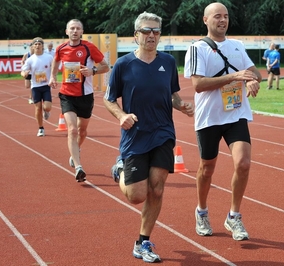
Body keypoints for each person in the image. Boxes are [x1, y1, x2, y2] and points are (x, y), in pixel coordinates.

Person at [103, 12, 194, 263]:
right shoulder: (123, 65)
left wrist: (181, 105)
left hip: (163, 132)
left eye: (156, 31)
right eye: (146, 31)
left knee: (157, 187)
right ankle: (120, 168)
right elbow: (108, 99)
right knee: (136, 195)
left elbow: (172, 95)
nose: (151, 35)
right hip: (135, 135)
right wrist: (121, 116)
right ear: (136, 35)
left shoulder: (167, 62)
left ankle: (143, 241)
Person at [184, 2, 262, 241]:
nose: (223, 20)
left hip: (235, 114)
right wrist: (235, 76)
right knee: (207, 168)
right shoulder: (197, 49)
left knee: (244, 164)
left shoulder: (237, 46)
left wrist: (251, 79)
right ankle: (202, 211)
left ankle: (234, 216)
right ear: (205, 20)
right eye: (217, 16)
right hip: (210, 117)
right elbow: (198, 85)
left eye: (226, 16)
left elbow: (254, 72)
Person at [49, 19, 110, 182]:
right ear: (66, 31)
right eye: (72, 28)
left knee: (82, 131)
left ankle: (76, 150)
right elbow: (55, 61)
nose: (75, 31)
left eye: (78, 28)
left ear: (82, 32)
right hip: (67, 94)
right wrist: (52, 76)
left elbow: (106, 66)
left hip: (85, 95)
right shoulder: (61, 48)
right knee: (72, 129)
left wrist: (93, 70)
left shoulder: (89, 47)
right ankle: (78, 167)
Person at [21, 37, 53, 136]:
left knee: (47, 107)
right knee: (38, 108)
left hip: (46, 85)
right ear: (33, 46)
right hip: (35, 86)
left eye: (39, 44)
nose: (37, 46)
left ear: (42, 46)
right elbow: (23, 70)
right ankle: (41, 128)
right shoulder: (30, 60)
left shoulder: (49, 57)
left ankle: (46, 112)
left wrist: (53, 78)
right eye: (36, 44)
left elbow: (54, 69)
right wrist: (24, 74)